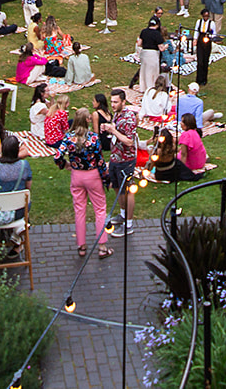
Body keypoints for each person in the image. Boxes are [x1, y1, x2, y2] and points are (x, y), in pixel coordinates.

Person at [55, 110, 111, 258]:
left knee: (79, 210)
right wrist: (106, 178)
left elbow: (57, 156)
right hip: (92, 175)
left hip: (77, 176)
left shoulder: (69, 137)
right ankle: (102, 246)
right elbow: (100, 160)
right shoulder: (93, 138)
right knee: (100, 209)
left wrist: (64, 164)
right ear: (87, 120)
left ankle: (81, 245)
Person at [100, 88, 139, 234]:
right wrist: (109, 127)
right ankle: (123, 214)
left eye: (116, 102)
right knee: (117, 187)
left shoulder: (129, 118)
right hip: (116, 157)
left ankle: (128, 225)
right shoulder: (117, 114)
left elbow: (129, 141)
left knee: (127, 191)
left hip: (126, 160)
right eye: (112, 102)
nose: (113, 105)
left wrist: (113, 131)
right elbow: (117, 131)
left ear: (123, 101)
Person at [137, 16, 165, 93]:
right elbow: (161, 48)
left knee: (144, 71)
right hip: (152, 54)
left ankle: (143, 88)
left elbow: (139, 43)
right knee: (153, 73)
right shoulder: (157, 34)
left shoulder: (144, 31)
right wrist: (166, 46)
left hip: (144, 54)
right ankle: (151, 88)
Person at [193, 9, 215, 86]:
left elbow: (214, 33)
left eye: (207, 16)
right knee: (200, 61)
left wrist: (210, 35)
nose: (206, 18)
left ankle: (204, 79)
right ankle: (198, 79)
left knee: (205, 61)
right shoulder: (199, 22)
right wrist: (195, 39)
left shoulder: (211, 23)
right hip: (200, 40)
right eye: (204, 16)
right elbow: (196, 31)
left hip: (207, 41)